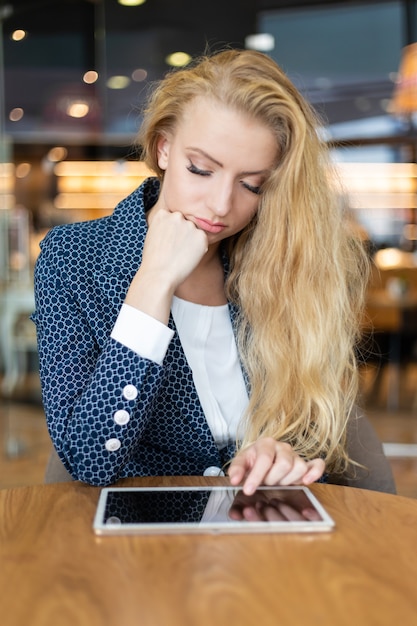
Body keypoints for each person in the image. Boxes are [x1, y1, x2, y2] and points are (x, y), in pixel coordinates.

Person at [33, 48, 395, 494]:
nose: (222, 205)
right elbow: (88, 458)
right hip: (141, 544)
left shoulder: (280, 264)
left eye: (251, 185)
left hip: (264, 536)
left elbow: (321, 430)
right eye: (201, 170)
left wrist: (283, 455)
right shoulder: (74, 258)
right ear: (164, 148)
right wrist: (155, 280)